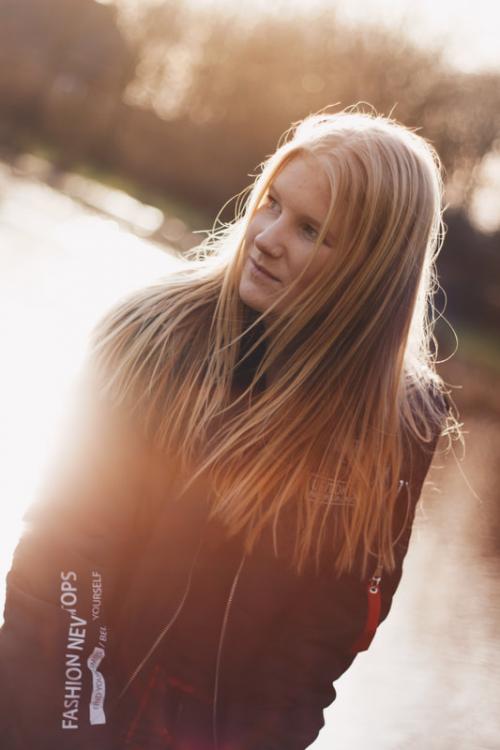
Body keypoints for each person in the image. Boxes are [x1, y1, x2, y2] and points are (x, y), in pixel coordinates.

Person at [0, 105, 461, 750]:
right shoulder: (152, 336)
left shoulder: (400, 422)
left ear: (370, 274)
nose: (267, 236)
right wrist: (75, 731)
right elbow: (66, 562)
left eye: (309, 230)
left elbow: (327, 635)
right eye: (271, 203)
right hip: (68, 722)